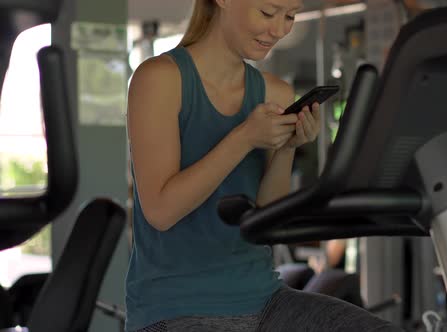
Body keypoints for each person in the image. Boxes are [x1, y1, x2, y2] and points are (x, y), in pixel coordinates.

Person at [125, 0, 401, 331]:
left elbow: (267, 218)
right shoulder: (159, 79)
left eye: (290, 16)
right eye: (268, 13)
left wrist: (285, 148)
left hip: (265, 298)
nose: (280, 29)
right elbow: (161, 211)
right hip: (174, 306)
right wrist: (244, 137)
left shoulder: (275, 92)